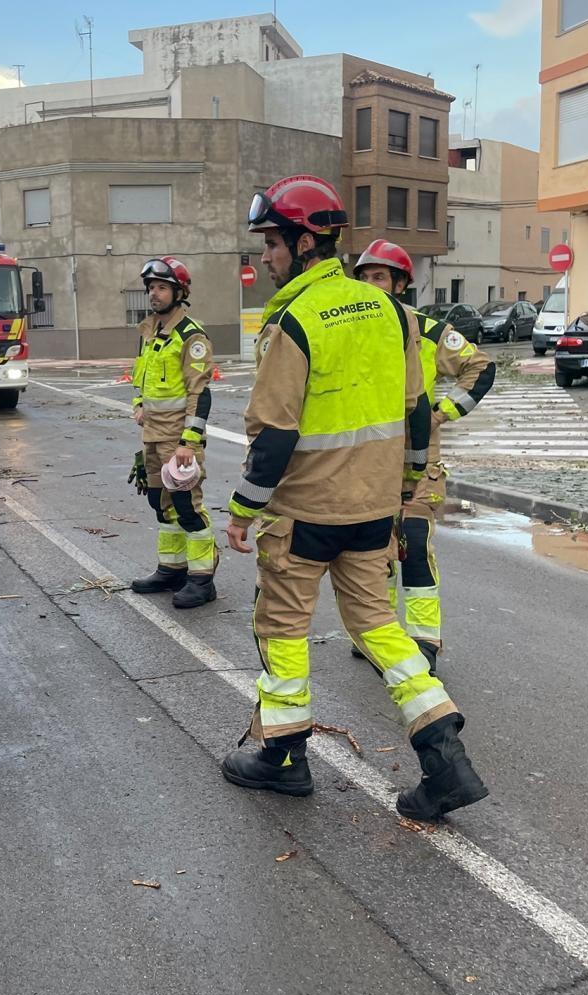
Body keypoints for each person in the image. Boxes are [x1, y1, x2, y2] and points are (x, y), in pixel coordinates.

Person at [219, 176, 488, 822]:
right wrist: (404, 491)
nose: (265, 256)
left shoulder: (294, 320)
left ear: (305, 241)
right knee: (377, 625)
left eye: (272, 243)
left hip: (304, 515)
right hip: (373, 511)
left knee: (281, 626)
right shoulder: (394, 314)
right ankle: (445, 757)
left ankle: (283, 758)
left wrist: (241, 509)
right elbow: (415, 414)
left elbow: (276, 432)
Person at [353, 240, 495, 675]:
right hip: (367, 460)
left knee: (413, 544)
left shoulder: (428, 331)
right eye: (364, 278)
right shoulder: (352, 333)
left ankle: (423, 640)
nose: (371, 285)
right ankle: (379, 631)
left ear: (400, 284)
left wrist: (443, 413)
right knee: (374, 549)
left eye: (379, 277)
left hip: (419, 457)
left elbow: (481, 368)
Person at [127, 256, 218, 608]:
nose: (154, 294)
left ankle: (202, 578)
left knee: (186, 505)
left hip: (177, 438)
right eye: (151, 287)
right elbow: (141, 376)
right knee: (159, 503)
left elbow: (200, 393)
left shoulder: (191, 335)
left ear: (179, 292)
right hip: (151, 433)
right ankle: (172, 569)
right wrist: (138, 403)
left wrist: (188, 443)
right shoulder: (149, 331)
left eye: (162, 287)